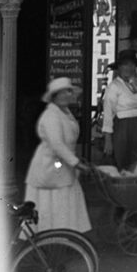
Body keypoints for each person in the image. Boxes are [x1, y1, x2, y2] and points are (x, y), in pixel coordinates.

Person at [25, 77, 91, 235]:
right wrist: (76, 163)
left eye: (68, 92)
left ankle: (65, 236)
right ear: (54, 97)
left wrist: (74, 161)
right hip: (50, 166)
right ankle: (49, 236)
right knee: (51, 204)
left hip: (63, 166)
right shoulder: (51, 116)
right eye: (61, 93)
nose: (66, 95)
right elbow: (57, 144)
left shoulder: (66, 113)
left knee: (63, 204)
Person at [99, 49, 137, 169]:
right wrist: (108, 140)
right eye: (125, 65)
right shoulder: (114, 86)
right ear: (119, 68)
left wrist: (136, 85)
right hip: (123, 127)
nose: (129, 68)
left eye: (132, 65)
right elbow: (108, 114)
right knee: (124, 161)